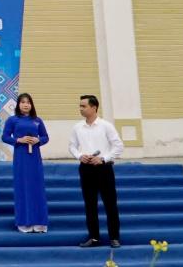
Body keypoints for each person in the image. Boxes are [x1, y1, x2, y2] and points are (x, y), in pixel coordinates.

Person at [69, 94, 124, 249]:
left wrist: (103, 159)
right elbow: (72, 146)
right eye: (80, 106)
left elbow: (118, 146)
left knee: (110, 204)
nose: (80, 109)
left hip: (104, 168)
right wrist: (80, 156)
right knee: (90, 205)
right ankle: (94, 237)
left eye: (83, 106)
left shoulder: (106, 126)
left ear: (94, 107)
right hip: (86, 169)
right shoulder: (77, 127)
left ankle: (114, 237)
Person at [1, 93, 49, 233]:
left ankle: (39, 223)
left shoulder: (37, 120)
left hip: (34, 156)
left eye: (28, 102)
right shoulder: (12, 120)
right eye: (22, 102)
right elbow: (4, 137)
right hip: (21, 156)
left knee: (37, 187)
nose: (26, 104)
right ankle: (25, 222)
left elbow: (45, 137)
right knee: (23, 186)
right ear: (18, 105)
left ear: (32, 105)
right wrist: (18, 140)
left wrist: (38, 140)